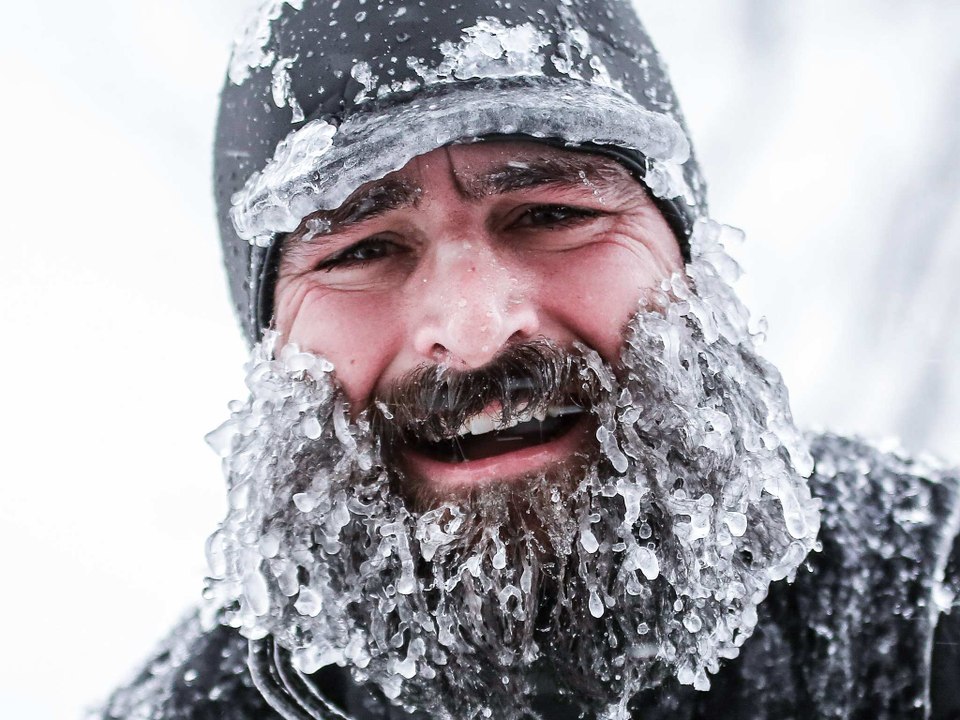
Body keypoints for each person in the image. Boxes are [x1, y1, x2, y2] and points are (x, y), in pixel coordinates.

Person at [100, 0, 960, 718]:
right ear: (272, 344)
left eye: (550, 214)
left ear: (689, 262)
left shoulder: (925, 618)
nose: (474, 329)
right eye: (360, 251)